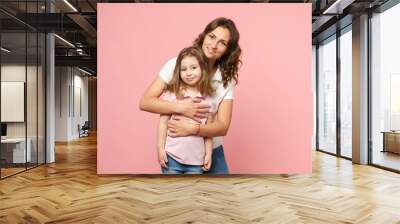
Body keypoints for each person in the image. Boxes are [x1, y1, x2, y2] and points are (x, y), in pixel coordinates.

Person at [140, 17, 242, 174]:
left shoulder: (225, 80)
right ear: (204, 36)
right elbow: (145, 102)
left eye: (222, 43)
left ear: (228, 50)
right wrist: (182, 108)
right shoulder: (177, 64)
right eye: (212, 37)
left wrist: (194, 129)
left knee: (222, 196)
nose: (214, 45)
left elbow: (223, 126)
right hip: (177, 152)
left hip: (211, 152)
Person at [158, 46, 216, 174]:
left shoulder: (208, 101)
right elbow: (163, 123)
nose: (188, 73)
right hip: (171, 157)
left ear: (202, 69)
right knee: (172, 193)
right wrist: (160, 149)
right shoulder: (172, 94)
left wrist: (208, 154)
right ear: (178, 72)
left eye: (193, 68)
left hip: (196, 162)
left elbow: (208, 132)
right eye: (184, 69)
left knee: (191, 193)